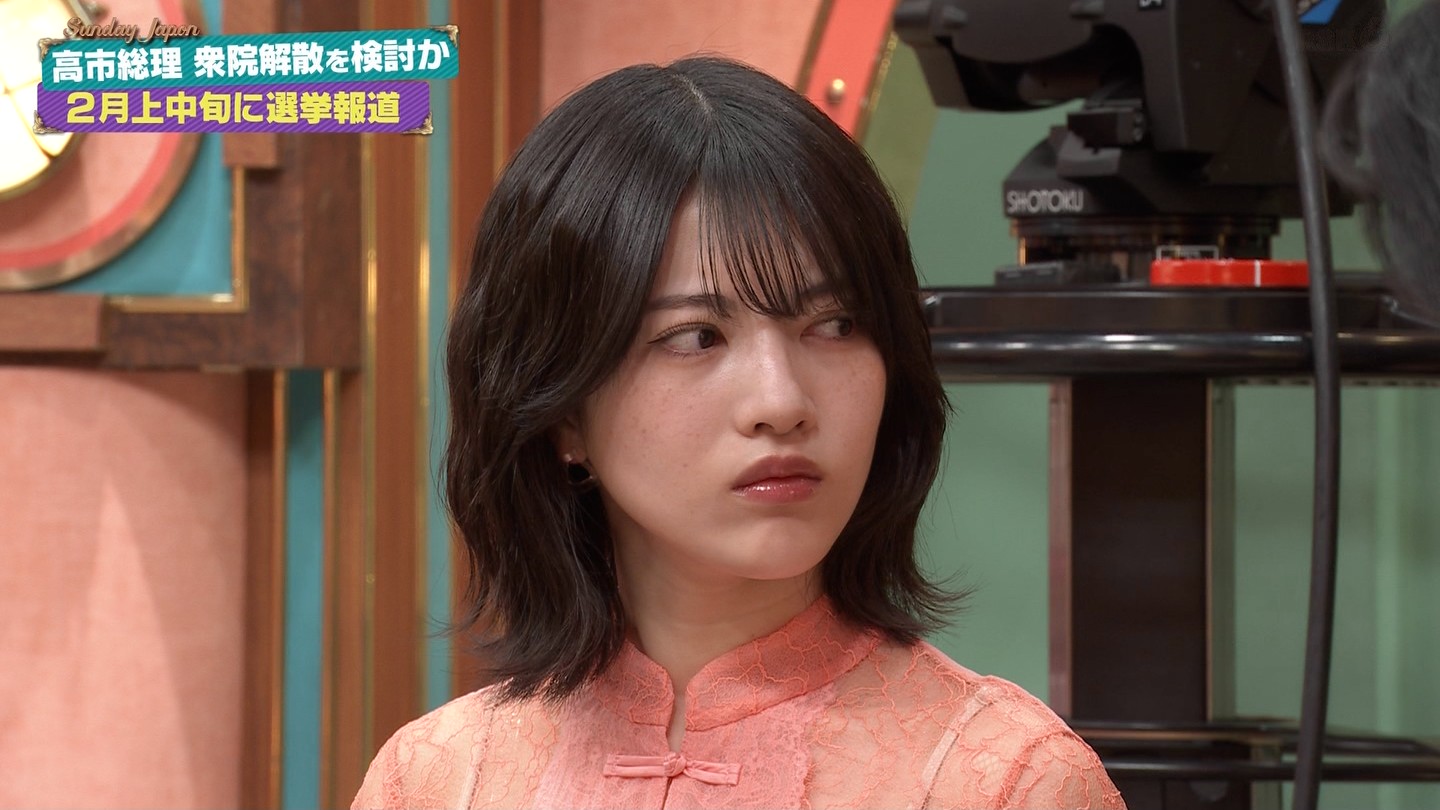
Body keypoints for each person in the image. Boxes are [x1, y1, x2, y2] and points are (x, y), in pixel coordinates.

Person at [353, 55, 1125, 809]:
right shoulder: (435, 781)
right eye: (696, 336)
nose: (781, 401)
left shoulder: (1008, 783)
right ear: (562, 411)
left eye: (834, 324)